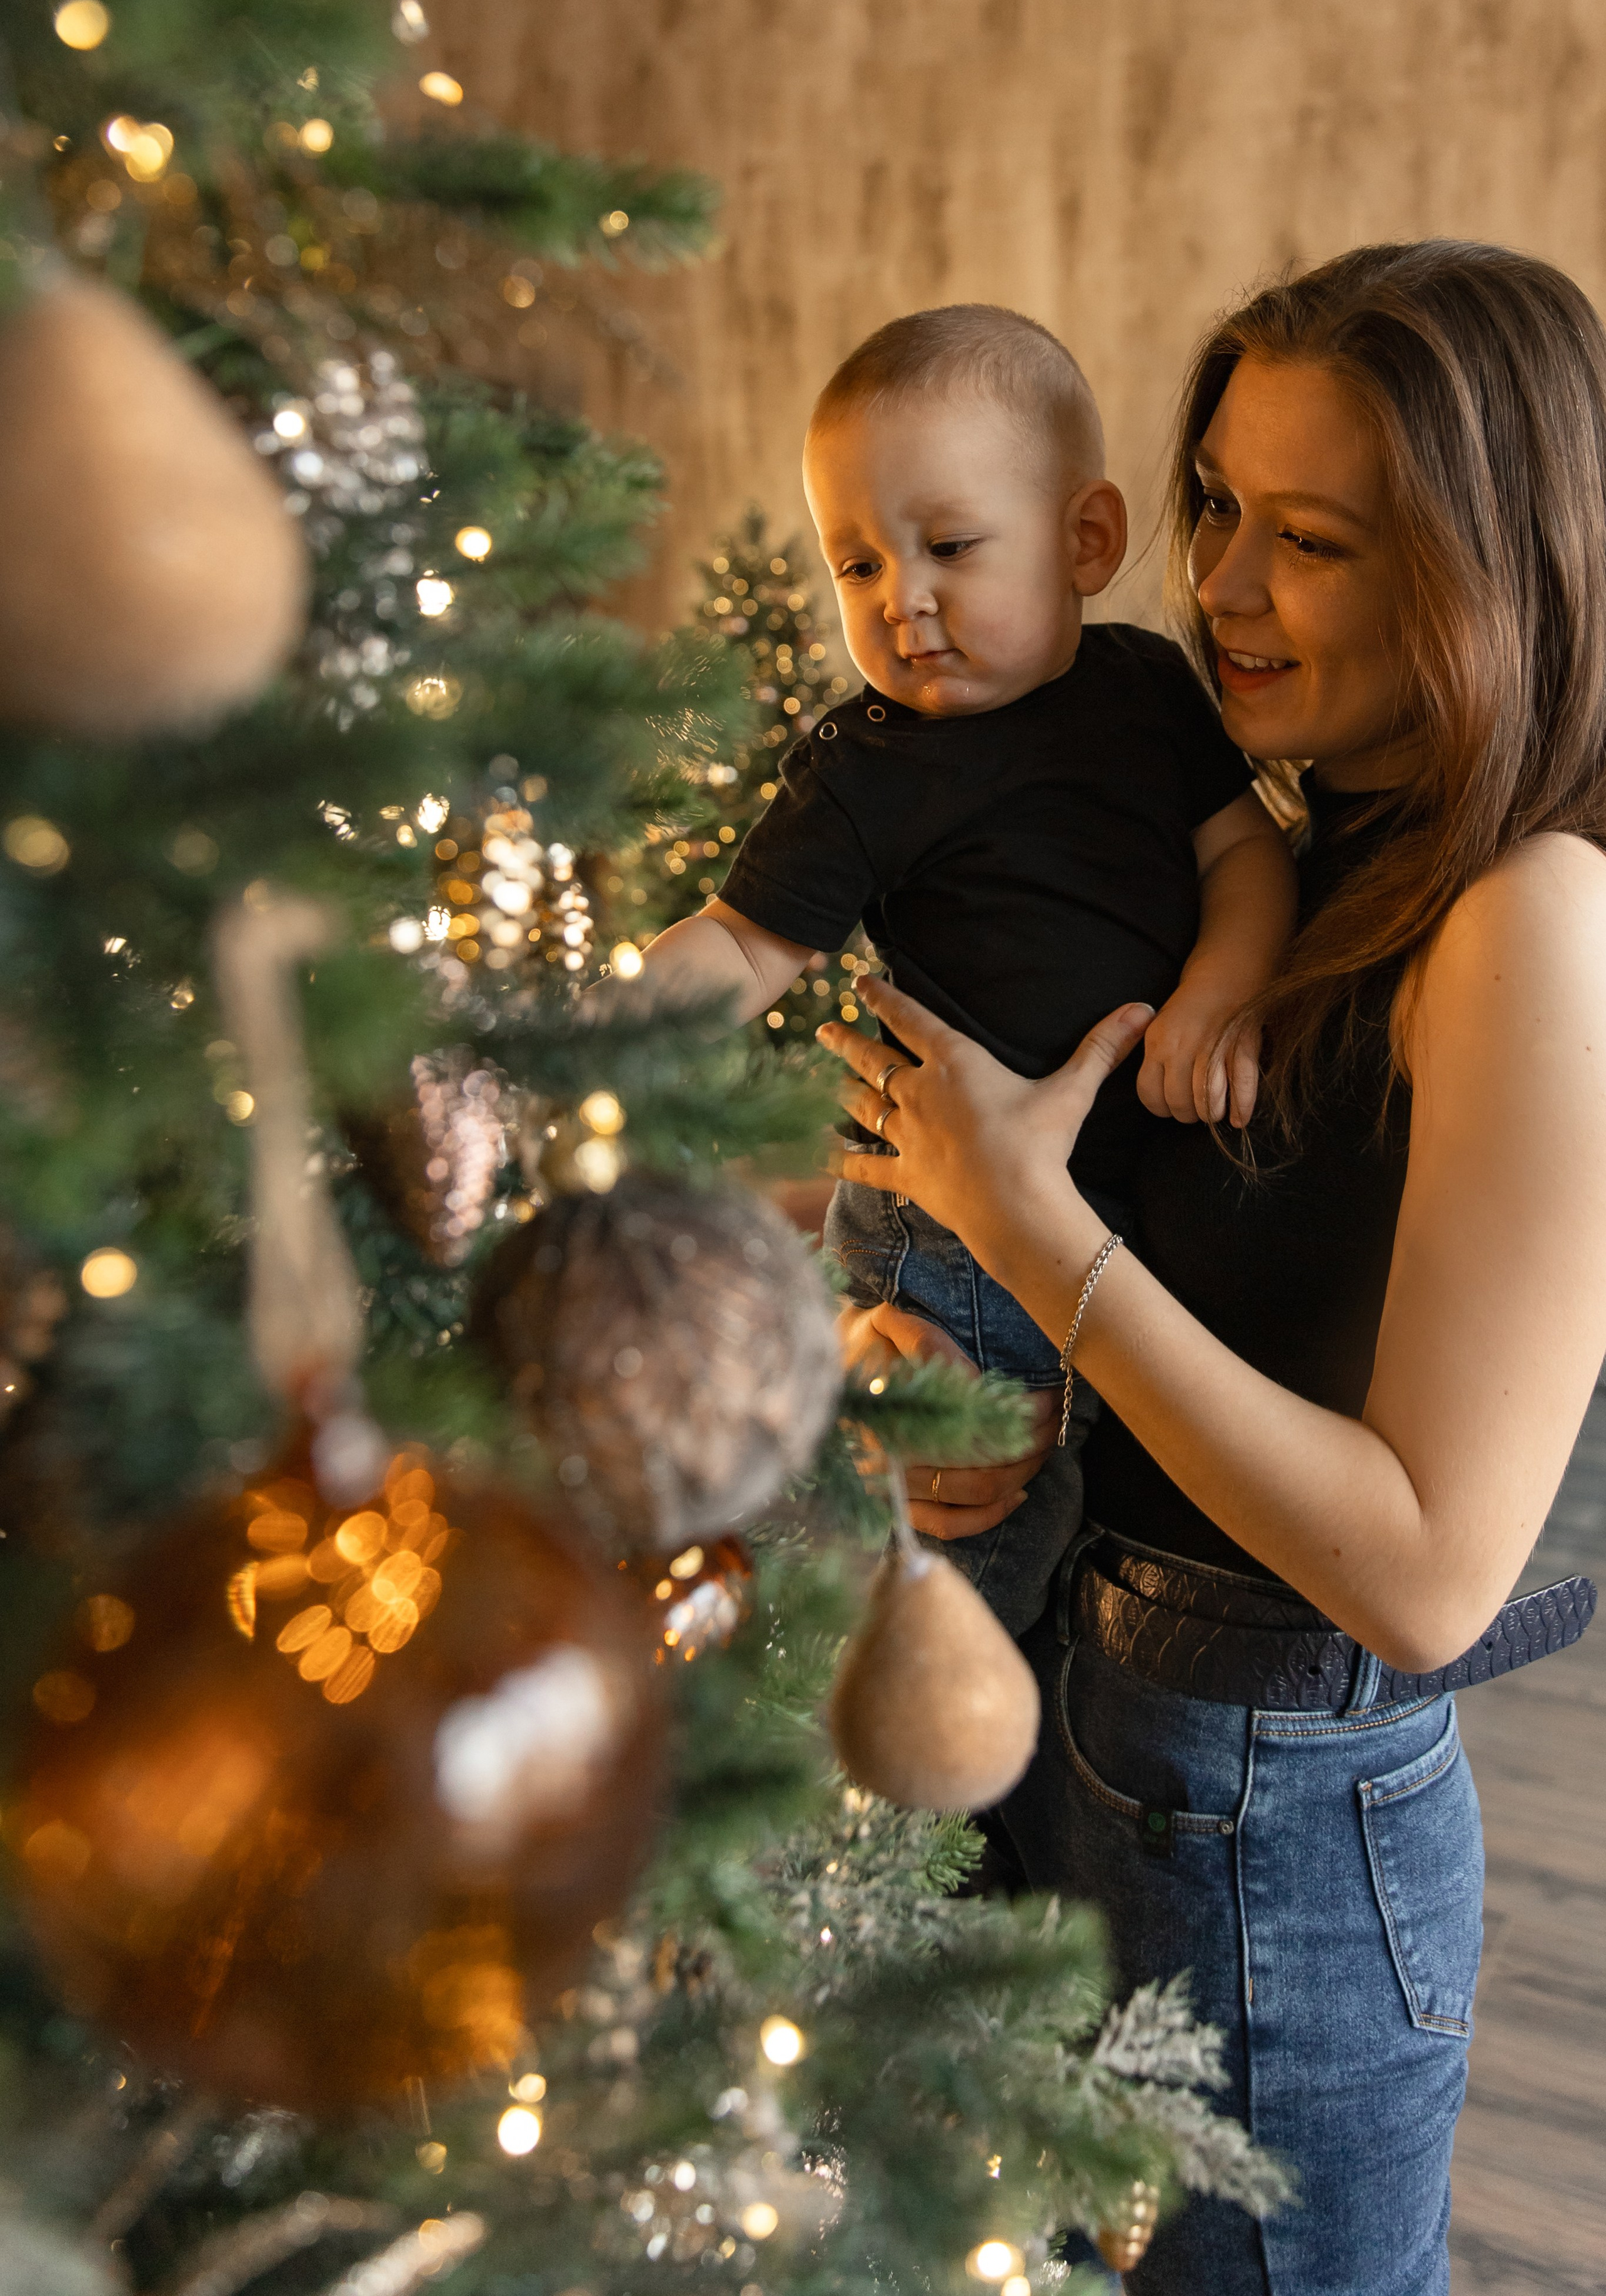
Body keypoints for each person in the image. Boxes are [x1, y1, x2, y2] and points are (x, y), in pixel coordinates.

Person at [818, 241, 1606, 2295]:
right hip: (1098, 1723)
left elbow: (1429, 1571)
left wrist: (1035, 1236)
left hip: (1280, 1830)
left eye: (1313, 541)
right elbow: (1180, 1286)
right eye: (1218, 509)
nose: (1226, 589)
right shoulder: (1289, 845)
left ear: (1494, 568)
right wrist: (938, 1356)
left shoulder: (1529, 915)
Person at [614, 304, 1294, 1634]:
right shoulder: (866, 766)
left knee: (1082, 1545)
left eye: (949, 548)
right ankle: (881, 1737)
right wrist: (607, 1026)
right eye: (857, 564)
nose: (900, 600)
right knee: (955, 1555)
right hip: (951, 1243)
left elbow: (1245, 852)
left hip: (1124, 1219)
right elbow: (744, 940)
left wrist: (1221, 991)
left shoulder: (1149, 689)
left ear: (1084, 540)